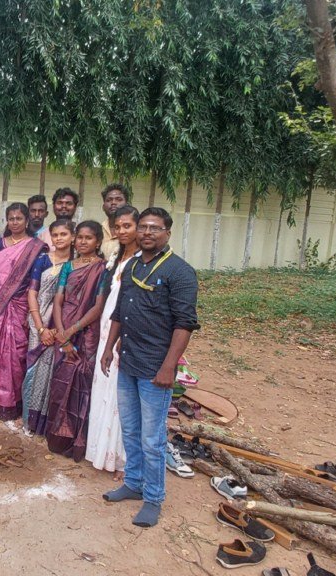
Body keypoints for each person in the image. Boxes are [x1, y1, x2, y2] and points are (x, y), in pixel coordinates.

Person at [100, 207, 200, 529]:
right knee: (129, 429)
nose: (146, 233)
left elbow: (185, 323)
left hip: (156, 368)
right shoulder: (130, 266)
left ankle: (153, 498)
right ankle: (133, 483)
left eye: (155, 228)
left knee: (152, 438)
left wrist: (169, 367)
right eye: (143, 227)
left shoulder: (180, 272)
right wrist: (107, 348)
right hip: (128, 361)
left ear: (167, 233)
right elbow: (117, 312)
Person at [45, 221, 109, 461]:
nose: (83, 241)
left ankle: (79, 441)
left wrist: (72, 330)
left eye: (89, 238)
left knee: (82, 384)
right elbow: (58, 300)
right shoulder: (68, 266)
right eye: (80, 237)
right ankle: (58, 437)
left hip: (87, 332)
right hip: (64, 331)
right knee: (60, 383)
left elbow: (99, 305)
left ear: (98, 241)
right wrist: (62, 335)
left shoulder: (103, 269)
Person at [0, 204, 47, 419]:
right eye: (11, 218)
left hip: (21, 306)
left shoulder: (37, 247)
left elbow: (39, 283)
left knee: (16, 355)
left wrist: (31, 314)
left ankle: (11, 402)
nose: (15, 222)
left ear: (27, 220)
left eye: (19, 218)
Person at [87, 206, 139, 478]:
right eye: (118, 227)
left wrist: (123, 335)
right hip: (108, 324)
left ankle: (122, 458)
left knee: (121, 393)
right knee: (104, 383)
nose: (121, 231)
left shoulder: (143, 259)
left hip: (127, 329)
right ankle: (100, 449)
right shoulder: (117, 256)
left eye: (127, 226)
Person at [21, 219, 74, 434]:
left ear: (73, 236)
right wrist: (41, 327)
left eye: (64, 234)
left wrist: (59, 329)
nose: (59, 238)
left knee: (57, 373)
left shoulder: (77, 264)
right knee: (34, 372)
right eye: (55, 235)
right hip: (39, 323)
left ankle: (50, 425)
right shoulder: (43, 260)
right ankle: (30, 422)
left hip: (65, 327)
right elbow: (32, 292)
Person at [99, 184, 130, 264]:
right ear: (103, 206)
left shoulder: (133, 232)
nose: (113, 203)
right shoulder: (97, 230)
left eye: (119, 199)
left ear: (127, 205)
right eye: (109, 200)